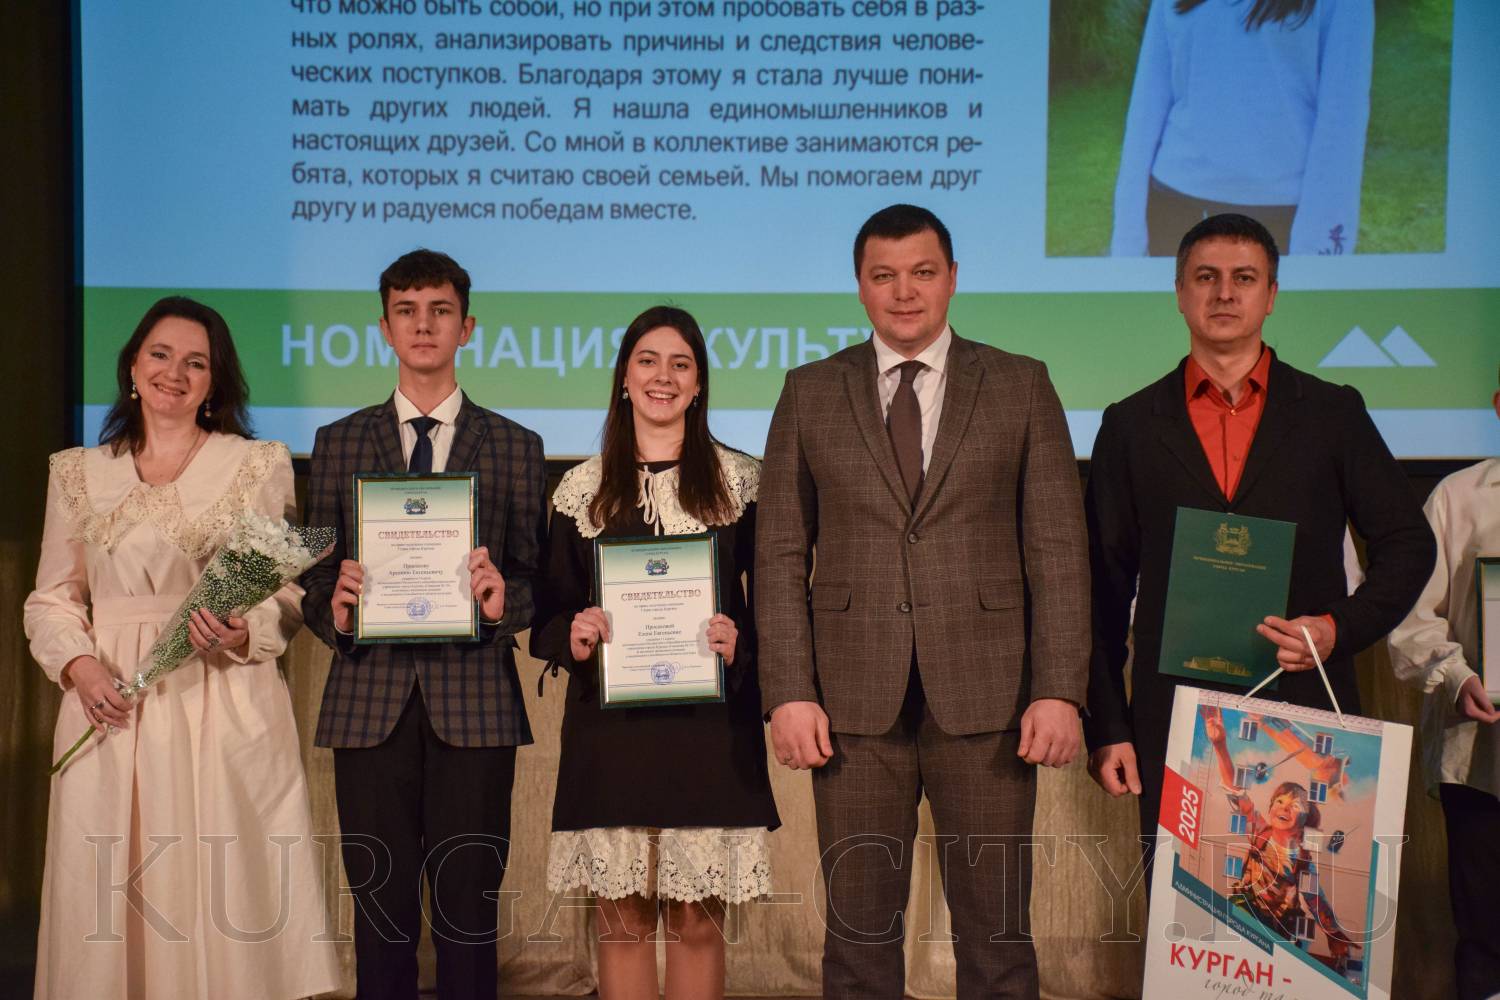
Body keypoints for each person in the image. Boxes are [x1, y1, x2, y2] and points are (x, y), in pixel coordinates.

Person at [756, 203, 1091, 999]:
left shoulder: (1021, 384)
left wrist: (1060, 689)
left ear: (952, 279)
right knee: (858, 942)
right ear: (860, 286)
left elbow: (1057, 550)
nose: (904, 292)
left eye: (922, 273)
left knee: (997, 937)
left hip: (991, 698)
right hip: (850, 706)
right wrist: (789, 691)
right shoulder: (809, 392)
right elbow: (778, 554)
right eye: (884, 276)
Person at [1084, 213, 1434, 862]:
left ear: (1270, 295)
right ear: (1180, 291)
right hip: (1176, 720)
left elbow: (1409, 543)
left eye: (1244, 278)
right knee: (1183, 905)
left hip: (1306, 713)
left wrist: (1338, 628)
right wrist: (1107, 725)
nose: (1224, 293)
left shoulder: (1332, 414)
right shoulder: (1130, 425)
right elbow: (1101, 588)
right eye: (1206, 277)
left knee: (1299, 898)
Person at [24, 296, 339, 999]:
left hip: (221, 698)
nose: (175, 373)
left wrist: (242, 630)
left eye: (196, 362)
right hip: (112, 702)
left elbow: (285, 591)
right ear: (133, 366)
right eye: (161, 355)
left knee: (224, 886)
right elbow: (52, 597)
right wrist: (80, 667)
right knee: (111, 891)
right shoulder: (76, 472)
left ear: (215, 381)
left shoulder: (255, 463)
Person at [300, 249, 547, 1000]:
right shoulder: (338, 442)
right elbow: (314, 575)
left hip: (476, 706)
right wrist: (334, 610)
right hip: (367, 704)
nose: (423, 325)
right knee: (380, 914)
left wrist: (504, 605)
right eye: (406, 311)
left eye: (440, 311)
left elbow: (536, 579)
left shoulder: (516, 446)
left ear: (466, 328)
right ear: (384, 328)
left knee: (469, 914)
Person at [531, 305, 779, 1000]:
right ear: (623, 378)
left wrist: (743, 640)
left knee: (698, 926)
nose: (662, 376)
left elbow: (781, 605)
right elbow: (546, 616)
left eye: (680, 364)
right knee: (623, 924)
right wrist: (574, 634)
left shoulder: (742, 483)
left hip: (710, 732)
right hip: (610, 734)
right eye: (647, 361)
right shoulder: (581, 490)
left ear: (699, 384)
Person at [1386, 371, 1500, 1000]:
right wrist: (1458, 677)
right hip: (1482, 758)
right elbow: (1411, 618)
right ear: (1499, 405)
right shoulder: (1458, 497)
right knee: (1485, 940)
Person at [1110, 0, 1374, 257]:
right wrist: (1127, 237)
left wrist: (1318, 249)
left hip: (1281, 215)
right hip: (1175, 205)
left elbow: (1341, 118)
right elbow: (1148, 100)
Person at [1199, 705, 1358, 976]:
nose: (1284, 807)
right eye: (1280, 801)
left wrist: (1333, 933)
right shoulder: (1259, 832)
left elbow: (1315, 900)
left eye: (1295, 805)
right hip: (1247, 910)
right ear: (1271, 807)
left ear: (1306, 819)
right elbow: (1235, 791)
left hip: (1282, 927)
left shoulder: (1302, 860)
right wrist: (1220, 745)